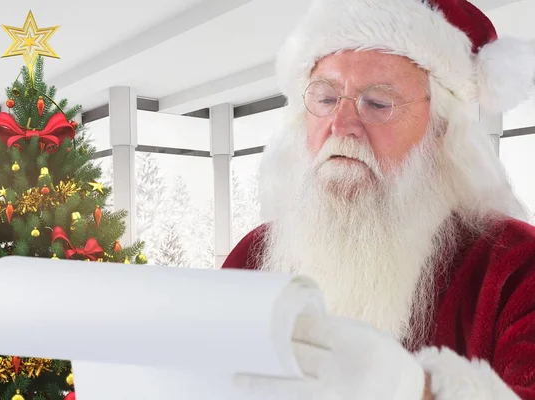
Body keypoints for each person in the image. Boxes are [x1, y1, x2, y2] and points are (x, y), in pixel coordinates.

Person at [223, 0, 535, 398]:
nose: (341, 125)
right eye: (324, 99)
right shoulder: (252, 256)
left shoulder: (517, 267)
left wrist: (419, 389)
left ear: (440, 131)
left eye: (378, 103)